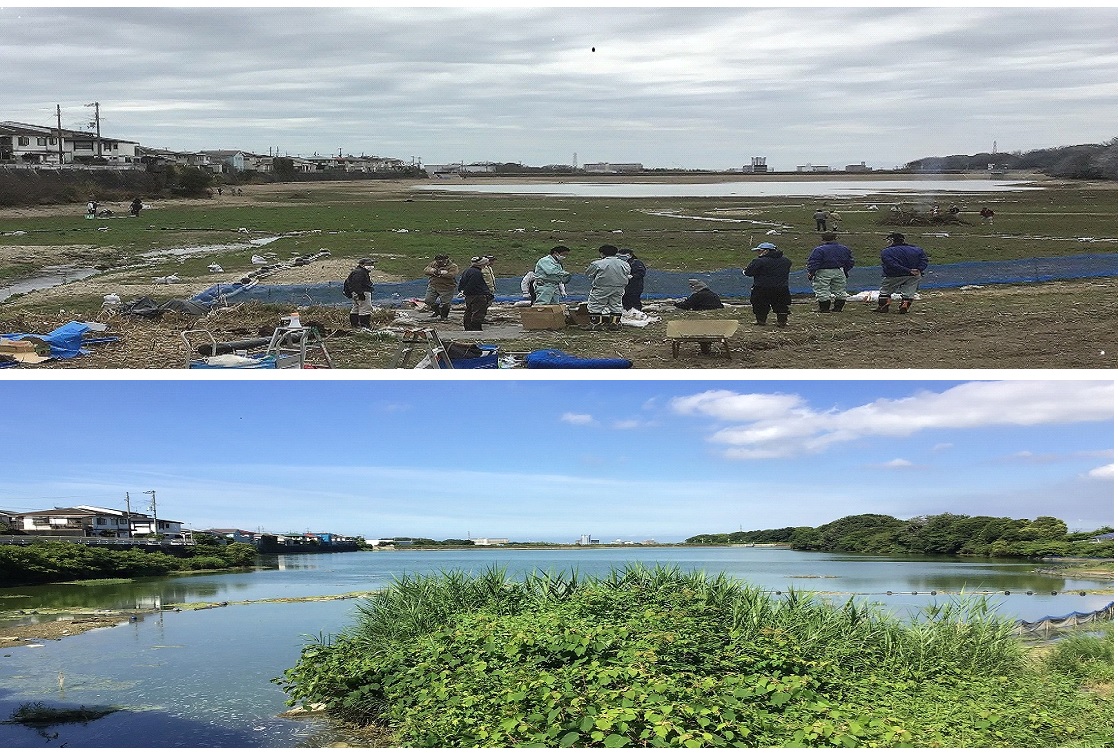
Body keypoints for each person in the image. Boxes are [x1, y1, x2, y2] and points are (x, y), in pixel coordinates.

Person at [876, 232, 928, 314]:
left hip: (894, 274)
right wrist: (919, 269)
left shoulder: (886, 251)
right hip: (914, 274)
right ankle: (905, 304)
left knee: (885, 290)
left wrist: (907, 270)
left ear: (892, 240)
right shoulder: (917, 249)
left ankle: (884, 305)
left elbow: (891, 264)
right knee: (909, 291)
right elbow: (924, 260)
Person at [743, 241, 792, 327]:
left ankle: (761, 321)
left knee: (760, 305)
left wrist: (745, 271)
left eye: (759, 251)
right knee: (782, 305)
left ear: (766, 251)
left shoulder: (759, 261)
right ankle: (782, 321)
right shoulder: (786, 261)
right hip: (781, 287)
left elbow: (748, 272)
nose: (758, 253)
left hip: (762, 287)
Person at [583, 244, 631, 331]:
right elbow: (627, 273)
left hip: (602, 287)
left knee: (595, 305)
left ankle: (596, 324)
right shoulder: (624, 264)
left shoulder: (598, 263)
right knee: (616, 304)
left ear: (602, 253)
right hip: (619, 287)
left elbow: (588, 273)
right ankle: (615, 323)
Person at [806, 231, 854, 312]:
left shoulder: (819, 250)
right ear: (835, 238)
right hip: (839, 270)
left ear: (822, 239)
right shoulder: (844, 249)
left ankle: (824, 308)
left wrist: (811, 272)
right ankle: (838, 307)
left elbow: (814, 262)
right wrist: (845, 270)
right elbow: (850, 261)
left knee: (822, 289)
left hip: (823, 271)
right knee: (840, 289)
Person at [458, 256, 491, 331]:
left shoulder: (467, 271)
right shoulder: (477, 273)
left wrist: (462, 291)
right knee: (478, 313)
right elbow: (472, 284)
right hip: (478, 295)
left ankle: (468, 327)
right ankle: (476, 329)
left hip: (469, 296)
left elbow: (461, 282)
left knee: (469, 311)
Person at [422, 254, 458, 321]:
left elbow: (452, 275)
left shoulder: (452, 266)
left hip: (447, 287)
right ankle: (437, 311)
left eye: (442, 260)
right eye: (438, 261)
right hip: (433, 285)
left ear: (446, 260)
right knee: (428, 301)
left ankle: (444, 316)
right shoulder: (433, 264)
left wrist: (441, 273)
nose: (440, 262)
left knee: (445, 303)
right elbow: (426, 270)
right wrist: (432, 271)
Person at [342, 258, 376, 330]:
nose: (371, 266)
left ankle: (355, 325)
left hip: (357, 293)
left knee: (356, 308)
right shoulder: (360, 272)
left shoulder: (359, 271)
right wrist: (360, 293)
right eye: (368, 264)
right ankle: (365, 326)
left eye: (372, 264)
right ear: (362, 265)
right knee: (366, 308)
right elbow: (356, 284)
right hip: (363, 292)